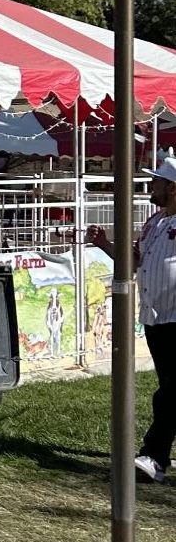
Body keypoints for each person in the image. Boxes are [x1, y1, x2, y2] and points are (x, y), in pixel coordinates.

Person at [91, 158, 176, 483]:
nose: (151, 187)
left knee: (169, 393)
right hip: (157, 319)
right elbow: (135, 261)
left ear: (173, 187)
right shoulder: (154, 222)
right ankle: (156, 454)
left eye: (157, 182)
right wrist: (105, 245)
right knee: (169, 388)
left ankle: (154, 456)